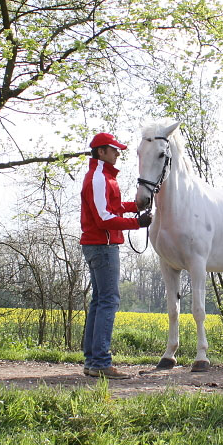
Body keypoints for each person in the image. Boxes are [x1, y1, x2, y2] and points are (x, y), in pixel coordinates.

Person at [80, 132, 152, 379]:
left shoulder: (104, 177)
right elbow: (103, 218)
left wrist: (135, 207)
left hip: (100, 245)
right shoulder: (99, 177)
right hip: (102, 246)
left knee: (99, 302)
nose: (118, 153)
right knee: (108, 301)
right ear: (101, 151)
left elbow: (113, 207)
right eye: (114, 149)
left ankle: (92, 361)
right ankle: (100, 362)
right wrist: (137, 223)